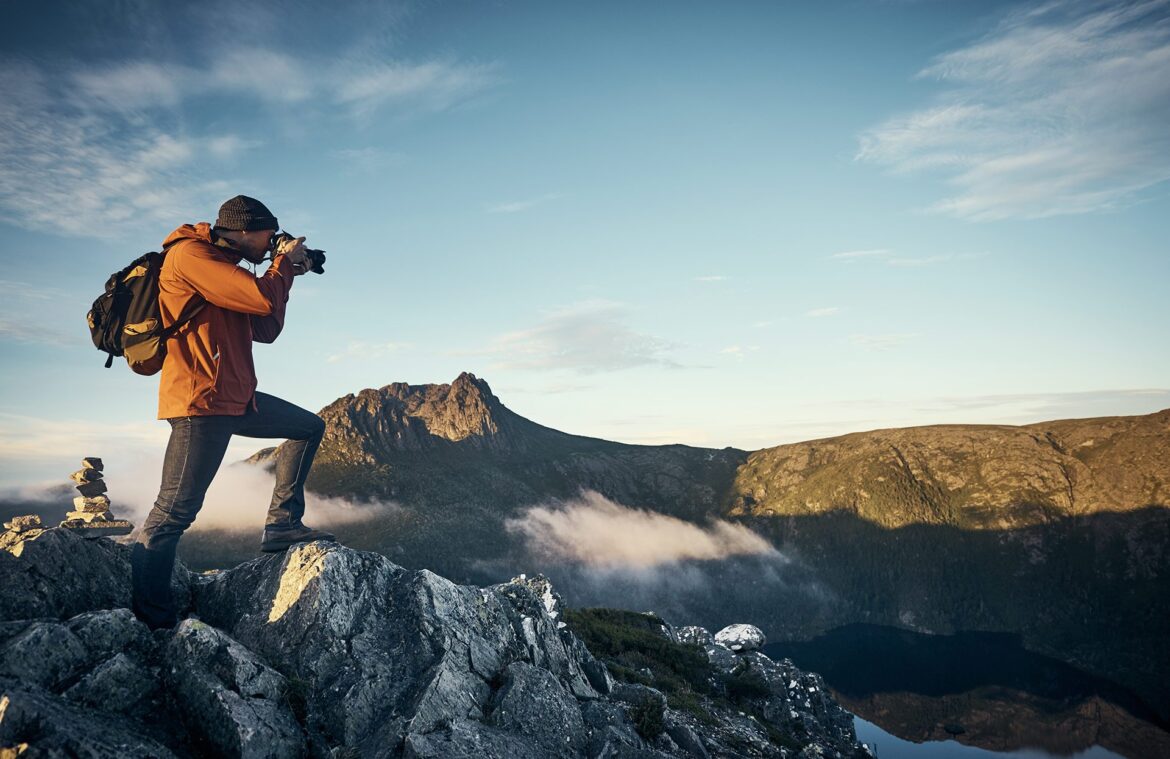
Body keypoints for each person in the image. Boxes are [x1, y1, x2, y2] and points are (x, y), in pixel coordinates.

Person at [130, 195, 334, 630]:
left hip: (236, 398)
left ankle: (282, 525)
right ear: (243, 230)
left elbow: (266, 327)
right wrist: (281, 265)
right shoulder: (191, 256)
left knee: (307, 427)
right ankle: (153, 621)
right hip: (201, 402)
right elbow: (260, 299)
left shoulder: (226, 270)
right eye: (269, 236)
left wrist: (286, 273)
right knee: (172, 514)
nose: (271, 244)